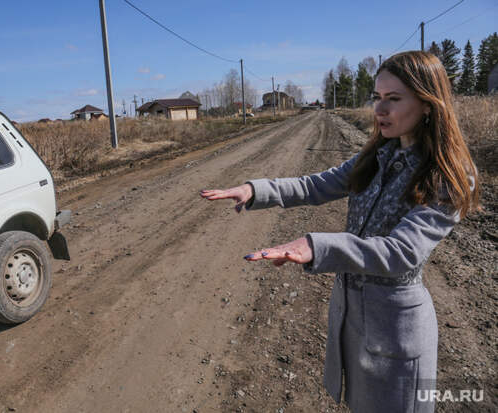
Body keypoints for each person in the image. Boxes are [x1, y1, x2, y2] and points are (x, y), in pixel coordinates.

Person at [200, 51, 478, 413]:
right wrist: (255, 190)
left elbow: (400, 253)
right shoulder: (377, 158)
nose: (379, 109)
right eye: (377, 97)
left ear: (428, 105)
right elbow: (314, 185)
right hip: (352, 322)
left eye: (393, 99)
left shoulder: (448, 177)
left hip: (396, 334)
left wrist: (315, 246)